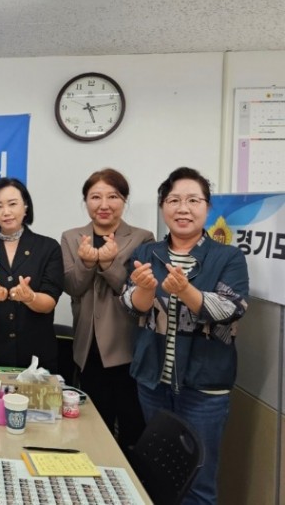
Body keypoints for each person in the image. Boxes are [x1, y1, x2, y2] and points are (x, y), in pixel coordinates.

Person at [122, 167, 249, 505]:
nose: (183, 208)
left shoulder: (228, 256)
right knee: (156, 474)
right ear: (163, 207)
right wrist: (146, 291)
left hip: (204, 387)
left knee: (198, 482)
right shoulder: (148, 253)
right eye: (174, 200)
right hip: (153, 383)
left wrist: (187, 291)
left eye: (193, 200)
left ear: (207, 208)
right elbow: (131, 305)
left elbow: (231, 308)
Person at [60, 168, 154, 449]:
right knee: (91, 429)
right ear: (85, 201)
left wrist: (109, 265)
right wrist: (87, 263)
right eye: (95, 197)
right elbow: (72, 287)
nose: (104, 204)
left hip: (126, 347)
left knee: (131, 428)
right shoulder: (71, 237)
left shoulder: (142, 238)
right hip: (87, 347)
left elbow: (137, 291)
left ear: (124, 200)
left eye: (113, 196)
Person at [0, 177, 64, 376]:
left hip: (36, 355)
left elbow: (50, 301)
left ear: (25, 207)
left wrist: (31, 297)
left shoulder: (48, 247)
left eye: (12, 204)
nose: (6, 212)